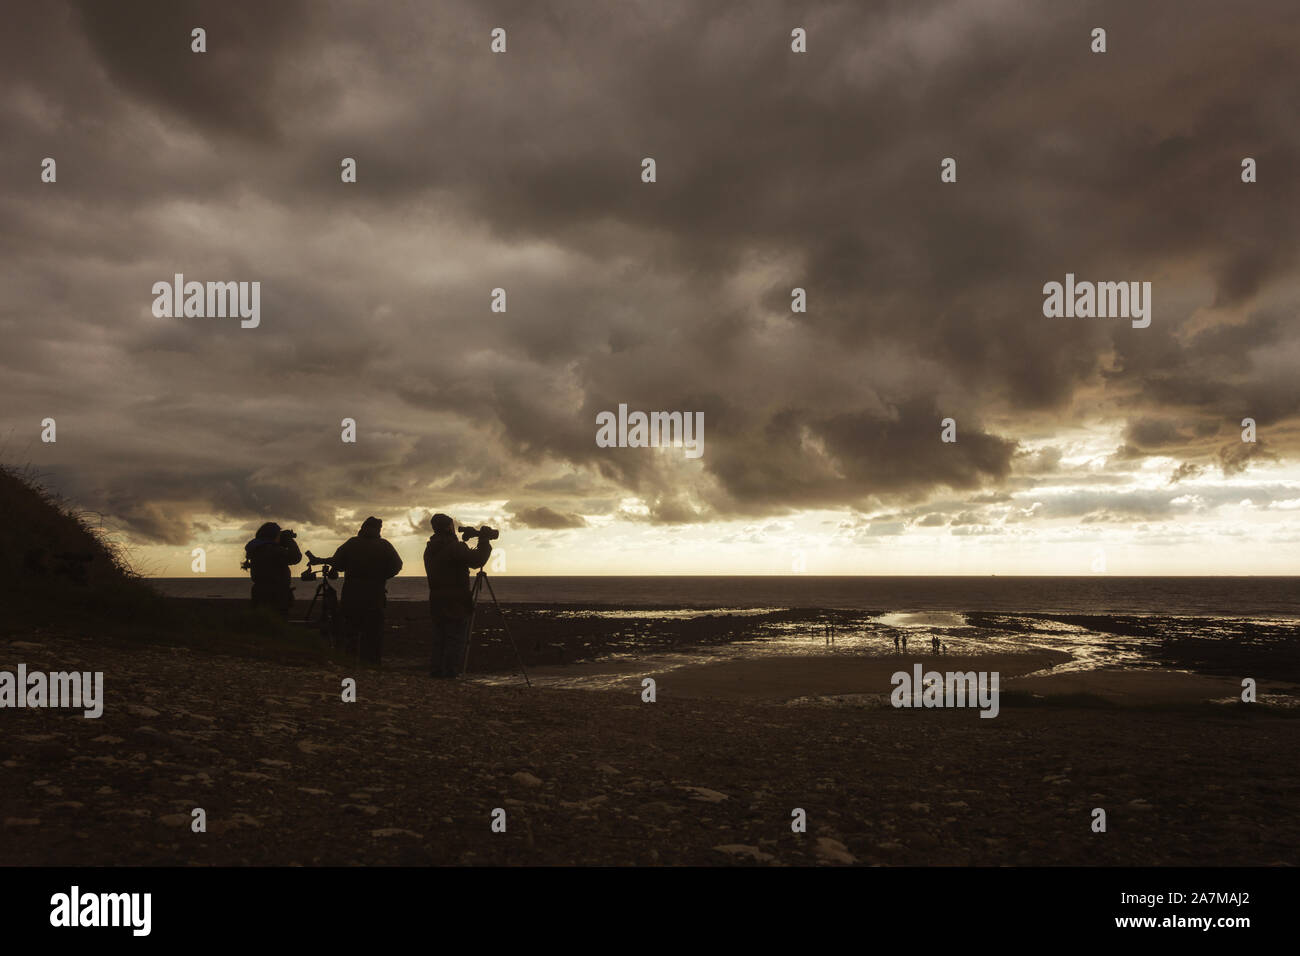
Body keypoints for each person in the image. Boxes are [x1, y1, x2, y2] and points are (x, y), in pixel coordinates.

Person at [316, 516, 402, 664]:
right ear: (378, 530)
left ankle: (349, 661)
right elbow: (397, 565)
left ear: (362, 528)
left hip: (351, 594)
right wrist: (382, 576)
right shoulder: (384, 545)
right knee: (373, 633)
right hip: (375, 594)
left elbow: (338, 563)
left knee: (350, 630)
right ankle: (371, 663)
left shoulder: (351, 544)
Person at [423, 513, 492, 678]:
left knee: (440, 637)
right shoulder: (454, 547)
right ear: (448, 527)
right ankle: (450, 673)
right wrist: (484, 541)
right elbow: (477, 560)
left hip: (437, 598)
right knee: (455, 638)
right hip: (456, 599)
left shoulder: (430, 548)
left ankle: (436, 672)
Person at [243, 522, 302, 618]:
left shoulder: (257, 548)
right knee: (277, 623)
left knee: (262, 622)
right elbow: (296, 557)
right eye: (279, 535)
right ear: (273, 535)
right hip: (275, 595)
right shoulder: (272, 550)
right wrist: (289, 541)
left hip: (259, 592)